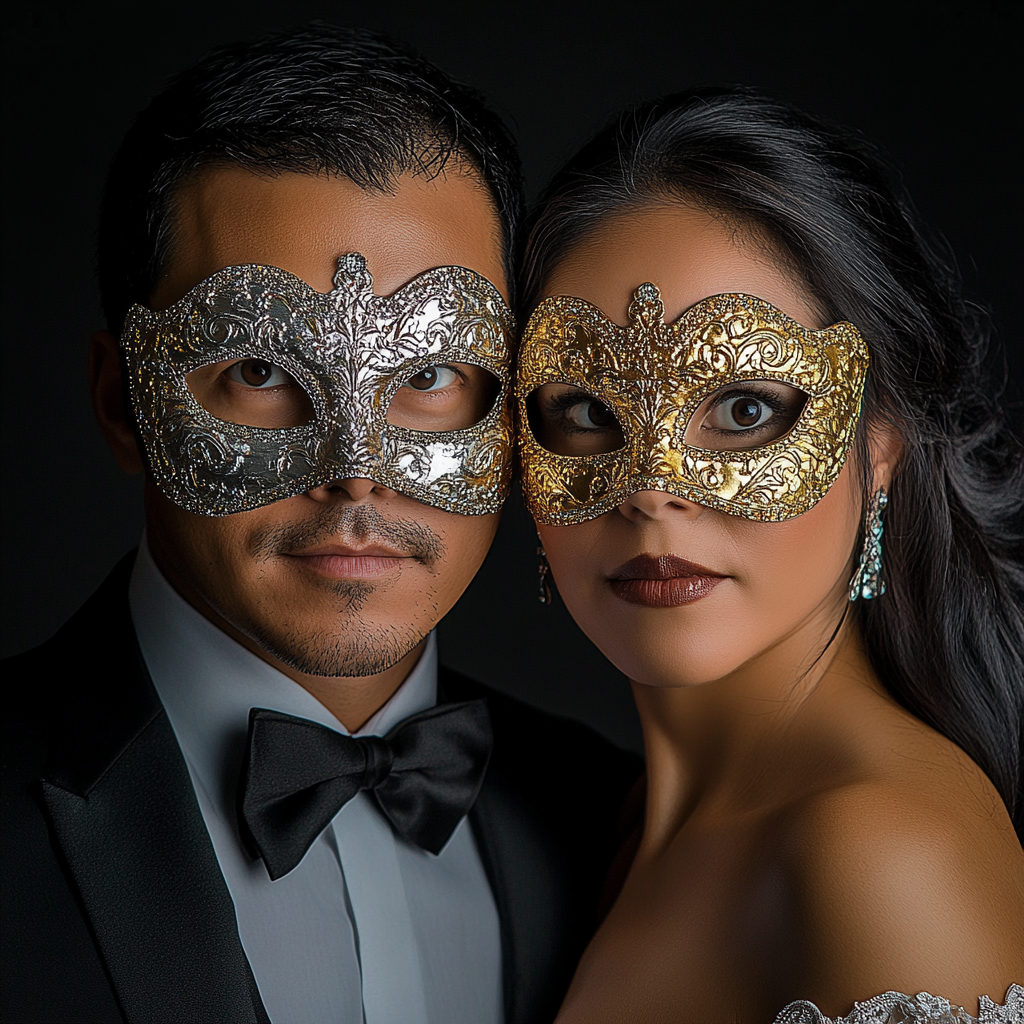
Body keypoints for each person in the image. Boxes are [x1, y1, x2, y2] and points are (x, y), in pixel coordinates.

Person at [0, 26, 640, 1024]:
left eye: (429, 375)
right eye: (259, 372)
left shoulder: (616, 822)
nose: (355, 475)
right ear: (123, 402)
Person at [515, 87, 1024, 1022]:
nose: (652, 489)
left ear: (878, 449)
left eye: (745, 410)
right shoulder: (617, 828)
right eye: (587, 412)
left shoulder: (881, 851)